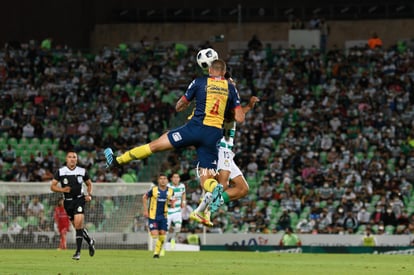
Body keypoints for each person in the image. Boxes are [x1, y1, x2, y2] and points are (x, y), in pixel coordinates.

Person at [105, 59, 245, 224]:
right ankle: (215, 189)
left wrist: (186, 104)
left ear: (209, 70)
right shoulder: (231, 89)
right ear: (223, 72)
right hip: (213, 135)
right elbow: (240, 117)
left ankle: (118, 160)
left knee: (155, 146)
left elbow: (180, 105)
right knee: (206, 179)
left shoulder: (199, 82)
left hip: (194, 128)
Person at [50, 150, 96, 261]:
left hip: (79, 200)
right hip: (67, 202)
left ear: (77, 159)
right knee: (77, 227)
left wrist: (89, 195)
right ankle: (90, 241)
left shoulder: (82, 171)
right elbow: (52, 186)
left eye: (74, 157)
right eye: (70, 157)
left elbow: (89, 184)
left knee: (79, 223)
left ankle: (78, 252)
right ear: (66, 159)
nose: (72, 159)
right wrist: (62, 189)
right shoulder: (61, 172)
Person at [142, 173, 174, 258]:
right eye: (161, 179)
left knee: (162, 234)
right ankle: (158, 250)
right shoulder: (153, 190)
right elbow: (144, 197)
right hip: (153, 216)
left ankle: (156, 253)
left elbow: (170, 201)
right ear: (158, 180)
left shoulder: (171, 191)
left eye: (164, 178)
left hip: (163, 217)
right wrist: (145, 210)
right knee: (155, 235)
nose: (163, 180)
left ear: (167, 180)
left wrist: (172, 204)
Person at [166, 172, 186, 248]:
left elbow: (183, 193)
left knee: (178, 227)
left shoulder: (182, 186)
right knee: (166, 230)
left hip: (177, 211)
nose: (176, 179)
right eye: (174, 177)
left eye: (177, 177)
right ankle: (162, 245)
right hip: (168, 211)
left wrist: (183, 201)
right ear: (171, 179)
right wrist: (170, 202)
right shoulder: (168, 186)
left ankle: (173, 239)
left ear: (179, 179)